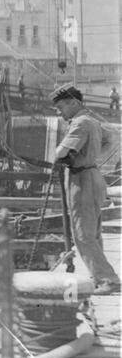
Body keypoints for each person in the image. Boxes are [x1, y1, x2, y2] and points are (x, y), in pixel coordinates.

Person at [51, 84, 120, 294]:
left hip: (82, 181)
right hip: (92, 176)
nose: (59, 111)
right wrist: (90, 156)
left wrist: (70, 156)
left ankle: (108, 279)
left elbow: (60, 153)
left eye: (61, 106)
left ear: (74, 103)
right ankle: (100, 276)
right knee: (93, 233)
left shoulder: (80, 123)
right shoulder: (92, 121)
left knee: (83, 235)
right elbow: (112, 138)